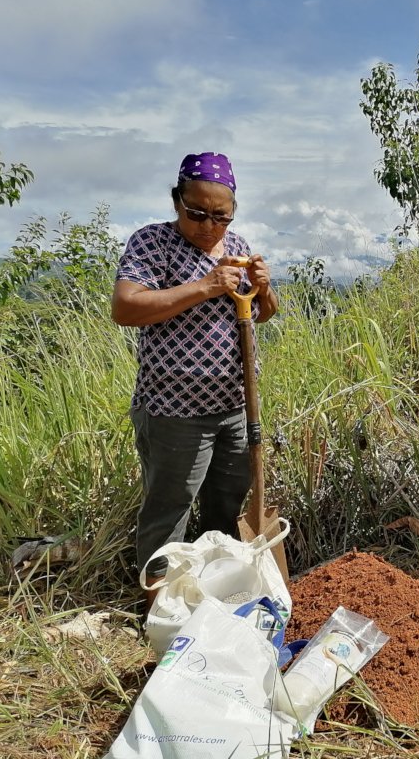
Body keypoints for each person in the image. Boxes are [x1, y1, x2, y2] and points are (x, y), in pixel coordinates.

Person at [112, 152, 279, 602]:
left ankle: (213, 596)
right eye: (197, 213)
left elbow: (263, 314)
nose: (208, 225)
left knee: (225, 510)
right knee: (170, 513)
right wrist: (205, 286)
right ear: (177, 202)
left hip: (236, 408)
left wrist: (264, 289)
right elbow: (126, 307)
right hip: (175, 411)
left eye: (220, 216)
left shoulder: (237, 245)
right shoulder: (153, 244)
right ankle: (161, 609)